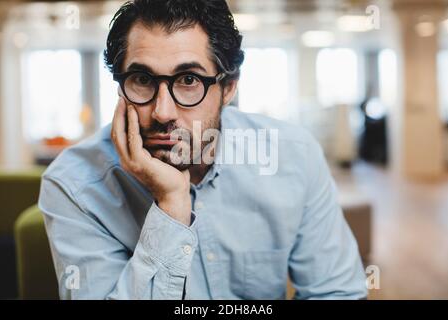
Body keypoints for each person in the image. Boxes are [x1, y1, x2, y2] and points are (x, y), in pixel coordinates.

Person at [39, 0, 367, 299]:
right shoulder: (73, 185)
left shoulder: (293, 156)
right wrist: (170, 206)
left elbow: (338, 293)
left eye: (188, 80)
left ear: (228, 87)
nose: (163, 111)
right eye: (142, 79)